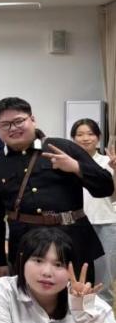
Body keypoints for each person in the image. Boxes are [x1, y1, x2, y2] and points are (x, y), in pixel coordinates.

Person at [0, 97, 113, 280]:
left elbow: (105, 187)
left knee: (77, 296)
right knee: (27, 296)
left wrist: (76, 167)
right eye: (5, 124)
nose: (13, 128)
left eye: (19, 121)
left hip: (72, 241)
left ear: (32, 120)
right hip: (25, 247)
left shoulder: (62, 147)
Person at [71, 118, 116, 304]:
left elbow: (114, 196)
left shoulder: (108, 162)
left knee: (104, 276)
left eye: (90, 134)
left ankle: (103, 315)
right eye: (80, 134)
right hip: (77, 225)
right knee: (77, 274)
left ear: (98, 137)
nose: (85, 138)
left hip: (106, 223)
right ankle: (78, 313)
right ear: (73, 138)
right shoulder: (69, 163)